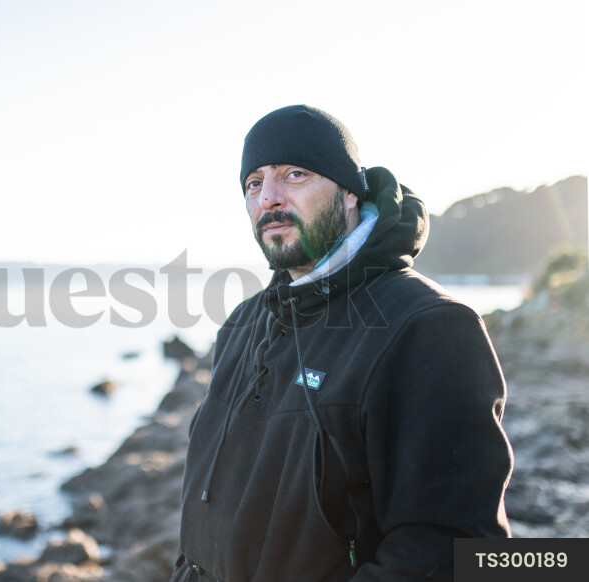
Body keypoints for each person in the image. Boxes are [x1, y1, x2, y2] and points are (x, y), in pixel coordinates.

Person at [170, 105, 513, 582]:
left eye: (294, 174)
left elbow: (452, 550)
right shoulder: (243, 324)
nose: (268, 198)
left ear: (349, 191)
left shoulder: (428, 327)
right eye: (254, 182)